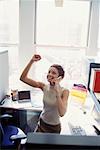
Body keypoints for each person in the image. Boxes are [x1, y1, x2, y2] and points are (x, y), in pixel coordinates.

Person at [20, 54, 69, 134]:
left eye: (53, 73)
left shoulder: (64, 91)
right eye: (49, 72)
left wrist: (57, 91)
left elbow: (62, 113)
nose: (49, 74)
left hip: (54, 128)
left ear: (60, 77)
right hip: (41, 123)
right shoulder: (44, 86)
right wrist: (31, 61)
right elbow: (23, 78)